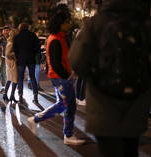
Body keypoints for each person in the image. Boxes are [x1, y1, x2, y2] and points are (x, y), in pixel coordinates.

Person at [69, 0, 151, 156]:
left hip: (103, 105)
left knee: (108, 150)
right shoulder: (145, 23)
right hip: (137, 104)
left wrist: (94, 76)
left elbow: (76, 61)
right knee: (131, 149)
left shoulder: (97, 23)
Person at [27, 8, 85, 145]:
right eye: (67, 22)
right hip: (60, 77)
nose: (69, 24)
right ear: (61, 24)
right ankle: (68, 135)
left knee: (64, 104)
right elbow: (55, 63)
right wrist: (68, 75)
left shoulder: (61, 37)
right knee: (69, 105)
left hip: (60, 77)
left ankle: (36, 119)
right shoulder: (55, 39)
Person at [13, 23, 40, 105]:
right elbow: (37, 47)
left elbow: (15, 49)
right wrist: (32, 54)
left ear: (20, 28)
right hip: (31, 59)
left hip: (21, 59)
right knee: (32, 77)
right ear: (28, 27)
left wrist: (19, 56)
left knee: (20, 78)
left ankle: (20, 96)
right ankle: (35, 97)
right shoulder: (33, 35)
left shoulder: (17, 37)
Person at [2, 30, 18, 103]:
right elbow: (8, 54)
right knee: (13, 80)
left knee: (11, 79)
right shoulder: (11, 43)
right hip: (12, 63)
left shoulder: (10, 42)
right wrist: (15, 54)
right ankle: (9, 95)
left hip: (10, 63)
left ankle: (10, 95)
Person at [0, 26, 10, 94]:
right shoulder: (0, 38)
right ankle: (3, 88)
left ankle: (14, 88)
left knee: (11, 74)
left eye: (7, 30)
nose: (6, 32)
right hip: (3, 57)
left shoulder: (11, 38)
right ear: (2, 31)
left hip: (10, 58)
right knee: (2, 72)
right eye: (4, 30)